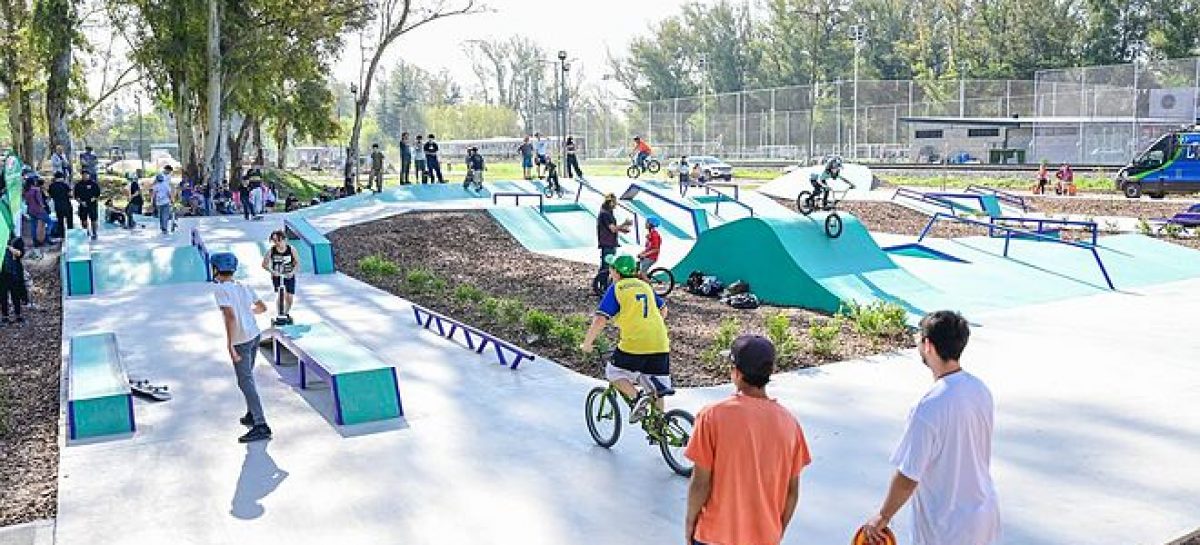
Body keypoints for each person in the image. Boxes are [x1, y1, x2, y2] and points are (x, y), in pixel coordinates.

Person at [861, 310, 1000, 545]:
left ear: (928, 345)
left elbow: (908, 475)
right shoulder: (980, 390)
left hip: (945, 529)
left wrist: (882, 516)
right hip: (984, 519)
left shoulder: (928, 407)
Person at [685, 335, 811, 545]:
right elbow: (792, 492)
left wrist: (690, 522)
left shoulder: (712, 417)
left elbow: (700, 483)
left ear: (737, 373)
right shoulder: (790, 424)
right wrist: (777, 531)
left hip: (714, 536)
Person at [580, 253, 670, 423]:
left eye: (611, 268)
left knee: (613, 372)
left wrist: (587, 343)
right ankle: (660, 425)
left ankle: (637, 398)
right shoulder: (645, 286)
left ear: (616, 272)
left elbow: (600, 319)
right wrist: (648, 324)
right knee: (656, 384)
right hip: (660, 342)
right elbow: (663, 309)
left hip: (635, 343)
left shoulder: (617, 288)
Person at [211, 252, 272, 443]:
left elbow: (229, 317)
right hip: (255, 335)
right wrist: (247, 313)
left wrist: (230, 345)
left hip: (241, 340)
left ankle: (261, 425)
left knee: (245, 381)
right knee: (248, 377)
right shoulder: (244, 285)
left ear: (215, 269)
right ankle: (252, 414)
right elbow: (262, 308)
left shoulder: (220, 289)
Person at [592, 193, 633, 295]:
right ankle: (602, 287)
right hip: (607, 243)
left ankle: (602, 286)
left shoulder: (608, 212)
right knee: (606, 266)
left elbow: (612, 228)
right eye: (615, 202)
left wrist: (622, 230)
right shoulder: (605, 214)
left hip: (610, 242)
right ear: (610, 202)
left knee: (607, 265)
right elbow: (613, 228)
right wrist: (624, 224)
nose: (616, 205)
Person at [261, 230, 300, 322]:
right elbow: (264, 264)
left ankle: (286, 313)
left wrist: (292, 272)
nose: (276, 243)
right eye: (274, 240)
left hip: (289, 275)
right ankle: (280, 314)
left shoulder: (291, 249)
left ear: (284, 239)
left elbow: (297, 263)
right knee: (281, 294)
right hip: (277, 276)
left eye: (278, 240)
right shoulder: (272, 251)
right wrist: (272, 271)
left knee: (289, 296)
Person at [0, 236, 27, 325]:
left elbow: (21, 253)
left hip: (14, 272)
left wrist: (10, 248)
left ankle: (18, 315)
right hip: (2, 273)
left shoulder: (16, 240)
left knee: (16, 294)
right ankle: (5, 316)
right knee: (3, 295)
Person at [23, 178, 52, 247]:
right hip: (39, 210)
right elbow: (39, 201)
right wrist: (43, 206)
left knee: (34, 226)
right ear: (33, 182)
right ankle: (47, 237)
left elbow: (26, 202)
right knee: (50, 222)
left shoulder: (26, 191)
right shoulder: (36, 190)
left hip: (30, 211)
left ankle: (35, 242)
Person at [74, 171, 101, 240]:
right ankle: (86, 232)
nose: (85, 176)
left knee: (94, 219)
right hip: (83, 204)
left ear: (89, 175)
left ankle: (94, 233)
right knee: (83, 219)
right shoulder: (78, 185)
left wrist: (94, 198)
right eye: (83, 175)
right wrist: (81, 202)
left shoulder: (93, 184)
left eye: (86, 175)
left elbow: (98, 193)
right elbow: (76, 196)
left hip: (92, 204)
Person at [151, 166, 176, 234]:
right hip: (165, 201)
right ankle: (164, 228)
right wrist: (172, 200)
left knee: (161, 215)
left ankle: (162, 228)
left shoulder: (156, 186)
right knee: (165, 215)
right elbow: (169, 193)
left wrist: (152, 201)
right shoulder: (165, 185)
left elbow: (153, 193)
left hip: (159, 202)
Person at [47, 172, 73, 237]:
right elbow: (70, 195)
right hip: (67, 205)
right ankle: (70, 234)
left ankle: (62, 235)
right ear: (62, 177)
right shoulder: (65, 185)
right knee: (69, 220)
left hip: (58, 206)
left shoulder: (52, 186)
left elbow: (50, 196)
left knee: (60, 221)